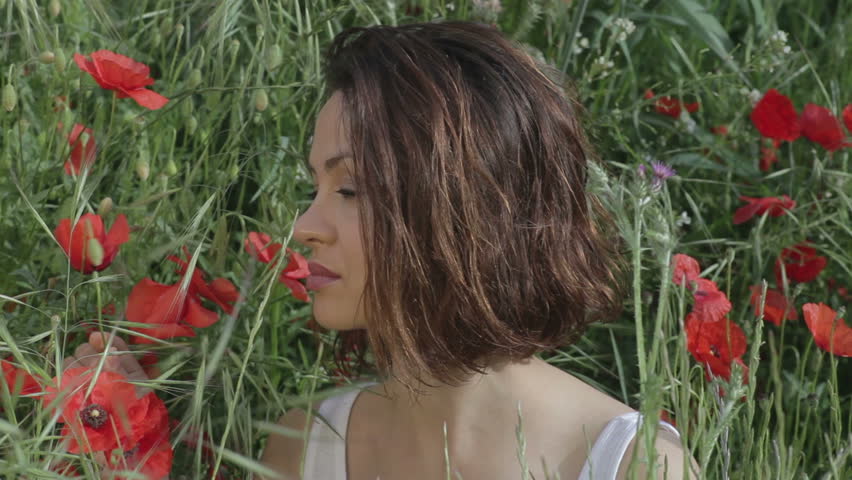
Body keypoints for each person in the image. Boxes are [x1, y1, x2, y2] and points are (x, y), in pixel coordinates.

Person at [68, 21, 698, 480]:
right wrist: (125, 444)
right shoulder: (307, 446)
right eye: (314, 186)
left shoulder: (630, 466)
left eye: (350, 188)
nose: (304, 226)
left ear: (466, 205)